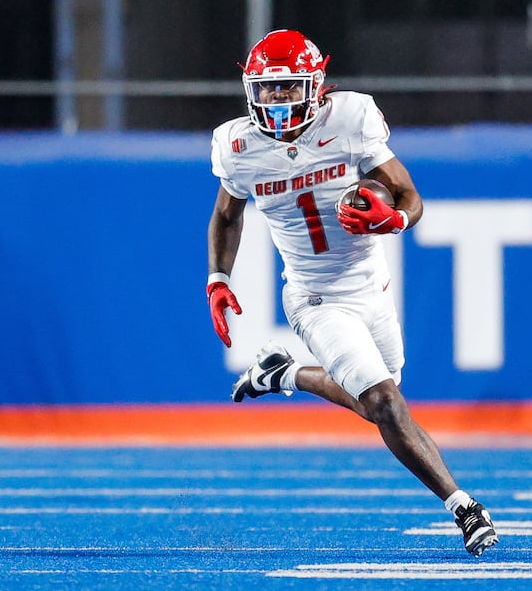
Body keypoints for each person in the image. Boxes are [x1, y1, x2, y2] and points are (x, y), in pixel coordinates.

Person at [205, 29, 498, 557]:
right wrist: (218, 279)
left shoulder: (351, 118)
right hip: (314, 296)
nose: (276, 101)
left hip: (371, 283)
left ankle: (283, 373)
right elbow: (227, 214)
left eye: (288, 88)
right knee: (385, 402)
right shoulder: (237, 145)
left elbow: (408, 194)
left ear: (316, 85)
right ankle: (464, 507)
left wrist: (394, 217)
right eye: (267, 91)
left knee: (382, 401)